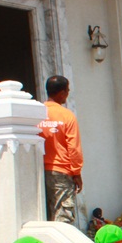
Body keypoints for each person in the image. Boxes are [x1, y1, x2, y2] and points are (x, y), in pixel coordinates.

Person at [38, 76, 83, 224]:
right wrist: (76, 172)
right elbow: (73, 147)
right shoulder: (67, 116)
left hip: (39, 171)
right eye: (67, 90)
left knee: (43, 215)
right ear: (62, 93)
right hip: (62, 172)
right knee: (63, 217)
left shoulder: (37, 114)